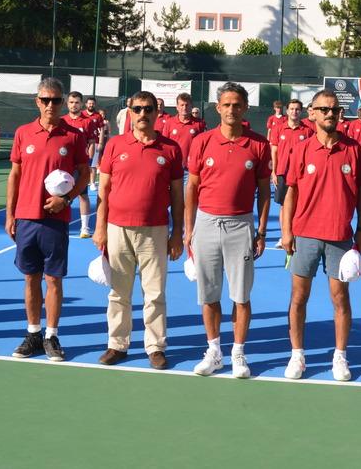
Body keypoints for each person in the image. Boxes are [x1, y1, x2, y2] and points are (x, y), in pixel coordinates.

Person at [280, 89, 361, 382]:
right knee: (298, 297)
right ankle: (297, 354)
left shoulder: (353, 149)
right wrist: (286, 231)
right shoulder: (301, 149)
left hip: (340, 236)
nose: (330, 114)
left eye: (334, 109)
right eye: (324, 109)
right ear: (312, 113)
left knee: (340, 297)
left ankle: (340, 356)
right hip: (304, 235)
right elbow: (290, 193)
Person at [185, 82, 271, 378]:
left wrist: (261, 231)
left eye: (237, 104)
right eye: (227, 104)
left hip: (241, 225)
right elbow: (192, 188)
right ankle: (214, 351)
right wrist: (189, 230)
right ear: (218, 108)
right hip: (206, 224)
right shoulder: (202, 141)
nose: (232, 109)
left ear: (245, 107)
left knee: (241, 296)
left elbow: (264, 191)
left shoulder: (259, 144)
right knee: (208, 294)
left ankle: (238, 353)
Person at [93, 91, 183, 368]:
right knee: (119, 292)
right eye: (138, 109)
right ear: (130, 112)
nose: (143, 114)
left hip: (155, 230)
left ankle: (155, 346)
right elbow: (104, 189)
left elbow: (177, 196)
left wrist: (177, 233)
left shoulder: (170, 149)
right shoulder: (115, 145)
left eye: (148, 109)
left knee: (154, 293)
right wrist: (99, 227)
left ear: (157, 113)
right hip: (117, 228)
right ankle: (117, 344)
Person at [6, 78, 90, 361]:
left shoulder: (73, 135)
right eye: (45, 100)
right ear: (37, 102)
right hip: (26, 217)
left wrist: (66, 199)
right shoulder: (23, 133)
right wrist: (10, 213)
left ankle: (51, 336)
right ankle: (33, 333)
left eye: (55, 100)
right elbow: (15, 175)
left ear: (62, 102)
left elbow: (85, 174)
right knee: (31, 277)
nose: (50, 105)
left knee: (53, 279)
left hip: (56, 218)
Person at [270, 100, 314, 249]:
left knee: (299, 205)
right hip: (283, 172)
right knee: (284, 205)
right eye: (292, 109)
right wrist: (274, 171)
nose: (294, 111)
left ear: (301, 112)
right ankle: (284, 235)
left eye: (297, 109)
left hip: (301, 174)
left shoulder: (307, 131)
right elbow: (274, 151)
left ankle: (296, 235)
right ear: (287, 111)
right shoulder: (279, 129)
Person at [64, 91, 98, 238]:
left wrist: (88, 161)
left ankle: (85, 228)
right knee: (63, 195)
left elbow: (92, 142)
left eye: (77, 102)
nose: (74, 105)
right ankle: (62, 225)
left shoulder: (87, 122)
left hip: (81, 165)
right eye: (71, 102)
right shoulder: (62, 120)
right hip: (65, 165)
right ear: (67, 104)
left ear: (81, 104)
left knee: (82, 195)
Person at [163, 92, 206, 162]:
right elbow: (164, 144)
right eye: (182, 105)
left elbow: (203, 145)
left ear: (191, 106)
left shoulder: (200, 123)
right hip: (173, 164)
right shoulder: (169, 122)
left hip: (191, 164)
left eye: (187, 105)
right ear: (177, 107)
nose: (184, 108)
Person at [83, 96, 107, 190]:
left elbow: (102, 129)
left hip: (95, 142)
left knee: (93, 163)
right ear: (86, 104)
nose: (91, 105)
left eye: (92, 103)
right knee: (82, 163)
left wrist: (101, 143)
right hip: (83, 143)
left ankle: (92, 183)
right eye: (89, 103)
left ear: (95, 104)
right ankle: (81, 182)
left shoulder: (98, 116)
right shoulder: (82, 114)